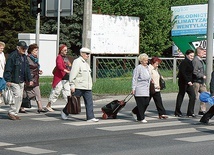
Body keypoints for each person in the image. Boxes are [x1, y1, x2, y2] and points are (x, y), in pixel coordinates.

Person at [61, 47, 99, 122]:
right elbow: (72, 74)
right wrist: (72, 85)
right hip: (78, 86)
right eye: (87, 54)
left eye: (89, 54)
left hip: (87, 87)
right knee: (73, 101)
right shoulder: (77, 62)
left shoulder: (86, 64)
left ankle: (90, 117)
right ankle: (65, 111)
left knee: (89, 102)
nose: (88, 55)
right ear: (82, 54)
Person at [3, 41, 33, 120]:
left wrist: (29, 79)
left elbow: (27, 69)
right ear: (18, 48)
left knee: (20, 97)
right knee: (17, 96)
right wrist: (8, 80)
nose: (24, 50)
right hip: (14, 80)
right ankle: (11, 112)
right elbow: (8, 69)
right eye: (23, 48)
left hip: (21, 80)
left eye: (25, 49)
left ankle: (15, 112)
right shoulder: (13, 56)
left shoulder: (24, 57)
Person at [19, 43, 47, 113]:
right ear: (31, 51)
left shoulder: (35, 59)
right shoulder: (27, 58)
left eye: (37, 50)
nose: (36, 52)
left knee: (37, 92)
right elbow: (25, 68)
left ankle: (40, 107)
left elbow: (35, 67)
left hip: (35, 78)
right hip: (29, 78)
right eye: (35, 50)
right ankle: (21, 107)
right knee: (25, 93)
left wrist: (39, 71)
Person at [45, 44, 71, 112]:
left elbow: (69, 65)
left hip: (66, 77)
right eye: (65, 50)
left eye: (66, 50)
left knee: (67, 92)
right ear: (61, 50)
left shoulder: (66, 58)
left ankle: (69, 106)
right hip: (60, 77)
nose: (66, 51)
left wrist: (70, 70)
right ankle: (48, 105)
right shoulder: (59, 57)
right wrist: (66, 70)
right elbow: (59, 66)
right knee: (56, 91)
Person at [174, 49, 196, 117]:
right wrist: (188, 81)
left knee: (193, 96)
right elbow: (183, 72)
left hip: (189, 82)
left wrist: (192, 80)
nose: (192, 57)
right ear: (187, 55)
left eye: (193, 56)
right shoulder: (184, 62)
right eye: (190, 55)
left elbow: (191, 73)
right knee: (181, 95)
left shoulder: (190, 62)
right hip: (183, 82)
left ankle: (190, 112)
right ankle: (177, 112)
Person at [131, 53, 151, 123]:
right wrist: (133, 88)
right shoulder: (138, 68)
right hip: (139, 88)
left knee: (146, 103)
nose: (147, 62)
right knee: (141, 104)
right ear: (141, 61)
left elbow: (149, 77)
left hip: (146, 88)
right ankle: (141, 117)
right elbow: (134, 79)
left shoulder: (148, 67)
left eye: (147, 60)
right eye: (145, 60)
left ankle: (134, 111)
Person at [192, 47, 207, 115]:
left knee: (205, 95)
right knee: (194, 97)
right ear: (198, 53)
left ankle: (202, 110)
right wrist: (202, 76)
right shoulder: (195, 60)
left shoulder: (201, 60)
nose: (204, 53)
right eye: (202, 52)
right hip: (196, 81)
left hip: (201, 82)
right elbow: (194, 72)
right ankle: (191, 110)